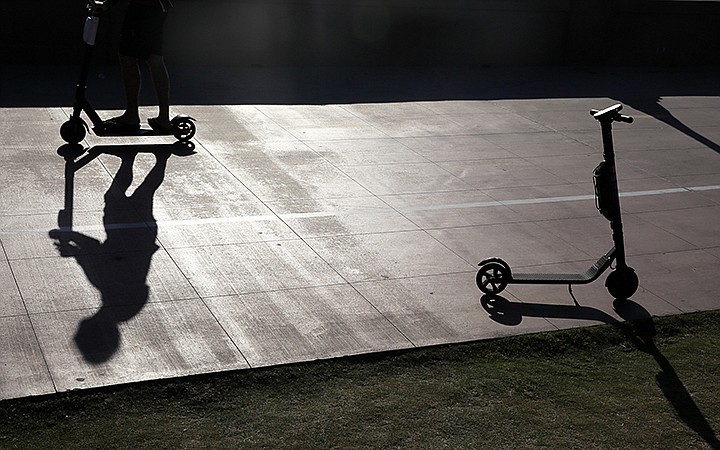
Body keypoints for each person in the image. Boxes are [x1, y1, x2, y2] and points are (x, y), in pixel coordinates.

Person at [99, 0, 174, 133]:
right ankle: (162, 117)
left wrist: (106, 4)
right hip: (155, 8)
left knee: (129, 57)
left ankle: (133, 115)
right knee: (154, 58)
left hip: (144, 9)